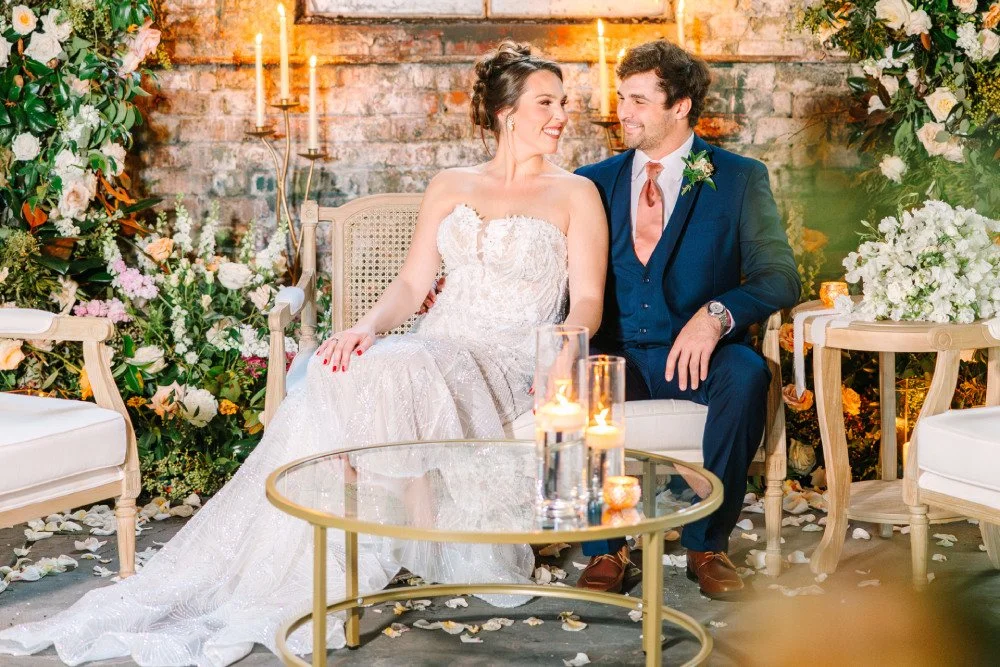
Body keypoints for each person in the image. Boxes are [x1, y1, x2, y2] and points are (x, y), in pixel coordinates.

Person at [0, 41, 608, 666]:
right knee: (341, 364)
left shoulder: (576, 194)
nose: (562, 115)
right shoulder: (450, 184)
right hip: (437, 343)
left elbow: (587, 299)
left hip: (506, 355)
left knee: (393, 369)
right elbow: (411, 284)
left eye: (563, 103)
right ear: (507, 112)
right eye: (547, 102)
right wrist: (366, 329)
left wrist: (565, 351)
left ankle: (400, 527)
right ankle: (353, 540)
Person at [573, 40, 800, 600]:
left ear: (680, 107)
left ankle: (707, 544)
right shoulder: (592, 181)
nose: (623, 111)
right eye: (622, 97)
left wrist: (718, 315)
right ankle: (607, 546)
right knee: (581, 378)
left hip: (694, 357)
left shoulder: (740, 178)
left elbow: (779, 276)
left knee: (747, 373)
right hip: (617, 351)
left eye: (639, 100)